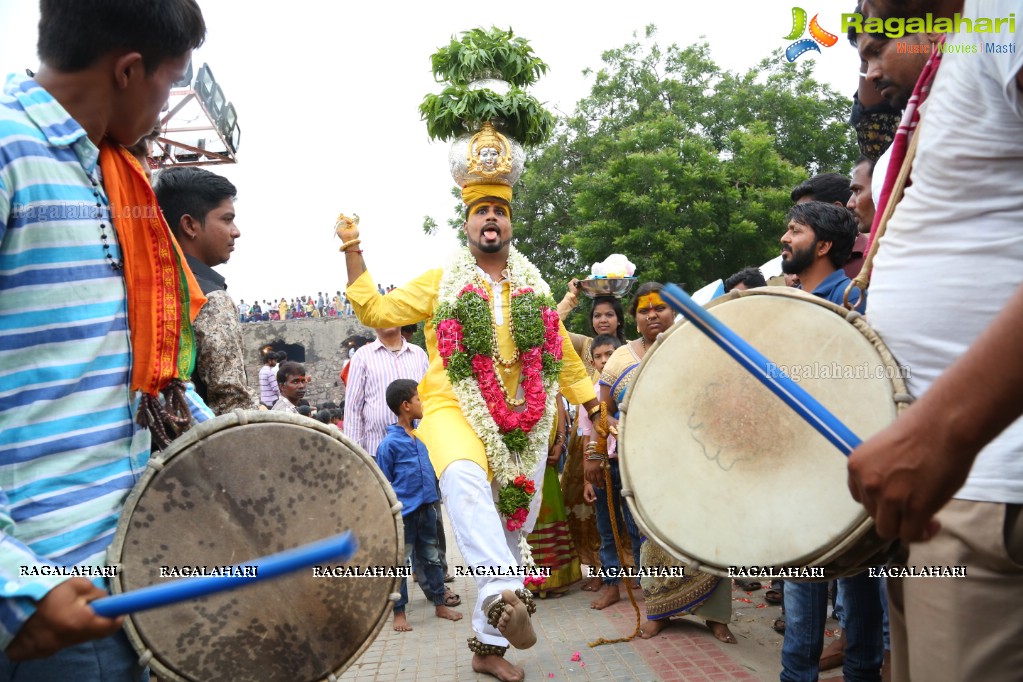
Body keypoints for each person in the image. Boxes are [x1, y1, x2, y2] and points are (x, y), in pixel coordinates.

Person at [0, 0, 207, 676]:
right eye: (171, 81)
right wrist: (17, 588)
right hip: (49, 601)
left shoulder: (117, 174)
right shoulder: (8, 153)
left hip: (133, 577)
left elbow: (136, 370)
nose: (166, 99)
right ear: (128, 70)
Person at [337, 190, 598, 682]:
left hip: (522, 418)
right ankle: (503, 591)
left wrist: (590, 402)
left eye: (500, 211)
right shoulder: (442, 282)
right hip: (455, 407)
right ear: (469, 225)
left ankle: (489, 645)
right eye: (482, 212)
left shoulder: (534, 287)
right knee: (461, 477)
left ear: (509, 225)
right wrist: (353, 248)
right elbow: (375, 310)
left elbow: (560, 352)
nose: (491, 218)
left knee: (512, 524)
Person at [845, 1, 1023, 680]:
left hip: (986, 479)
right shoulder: (958, 63)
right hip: (937, 492)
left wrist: (942, 431)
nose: (866, 78)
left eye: (872, 49)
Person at [589, 282, 736, 643]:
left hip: (697, 459)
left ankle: (717, 617)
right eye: (644, 309)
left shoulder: (695, 345)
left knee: (707, 533)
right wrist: (599, 448)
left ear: (674, 312)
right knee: (651, 538)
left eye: (660, 308)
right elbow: (601, 412)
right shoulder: (620, 358)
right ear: (635, 318)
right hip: (642, 465)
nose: (652, 315)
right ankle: (659, 611)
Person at [778, 201, 882, 682]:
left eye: (794, 231)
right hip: (798, 479)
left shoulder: (854, 304)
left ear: (821, 246)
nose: (784, 239)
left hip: (849, 480)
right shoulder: (788, 306)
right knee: (802, 608)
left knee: (859, 599)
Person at [155, 166, 256, 415]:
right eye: (226, 218)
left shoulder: (151, 288)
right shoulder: (210, 298)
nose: (236, 231)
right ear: (189, 225)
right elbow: (231, 403)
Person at [556, 286, 631, 591]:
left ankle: (632, 568)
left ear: (619, 318)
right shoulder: (586, 347)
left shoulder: (629, 350)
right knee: (590, 509)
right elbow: (552, 325)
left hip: (624, 444)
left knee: (628, 509)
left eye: (609, 314)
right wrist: (571, 297)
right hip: (586, 443)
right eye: (597, 315)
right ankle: (603, 569)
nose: (603, 320)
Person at [376, 379, 463, 632]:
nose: (422, 403)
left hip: (428, 508)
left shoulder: (423, 436)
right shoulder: (389, 445)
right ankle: (399, 612)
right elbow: (384, 483)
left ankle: (439, 602)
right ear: (405, 406)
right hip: (404, 514)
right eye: (419, 399)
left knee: (432, 557)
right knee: (399, 563)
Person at [343, 327, 430, 460]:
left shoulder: (418, 354)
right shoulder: (362, 356)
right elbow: (353, 408)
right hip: (376, 449)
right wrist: (355, 454)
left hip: (418, 448)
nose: (387, 320)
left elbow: (429, 399)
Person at [525, 393, 580, 598]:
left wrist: (559, 442)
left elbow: (557, 404)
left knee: (546, 512)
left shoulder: (547, 370)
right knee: (520, 518)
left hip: (545, 462)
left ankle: (555, 578)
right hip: (515, 463)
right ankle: (524, 580)